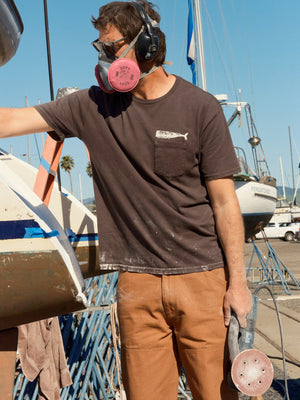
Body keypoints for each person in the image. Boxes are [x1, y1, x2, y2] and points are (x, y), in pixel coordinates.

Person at [0, 1, 252, 399]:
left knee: (218, 393)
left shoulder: (201, 109)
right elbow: (12, 120)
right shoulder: (93, 106)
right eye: (99, 50)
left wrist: (237, 284)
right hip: (137, 288)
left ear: (148, 46)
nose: (103, 60)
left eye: (111, 49)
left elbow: (225, 204)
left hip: (202, 279)